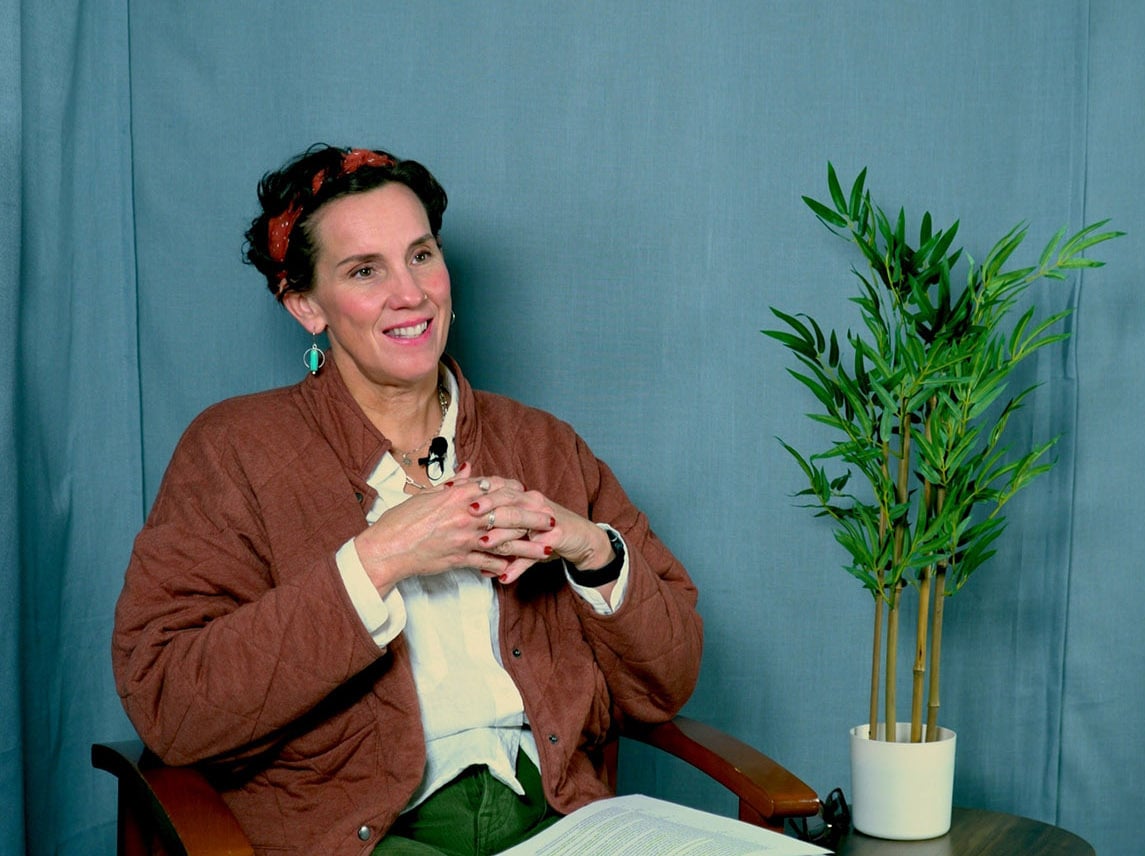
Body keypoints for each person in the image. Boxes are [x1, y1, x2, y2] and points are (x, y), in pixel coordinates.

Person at [112, 144, 702, 856]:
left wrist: (590, 549)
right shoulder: (233, 450)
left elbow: (666, 685)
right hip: (361, 834)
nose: (411, 293)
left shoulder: (543, 443)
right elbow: (172, 705)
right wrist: (377, 559)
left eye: (420, 255)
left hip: (558, 818)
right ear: (305, 306)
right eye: (365, 270)